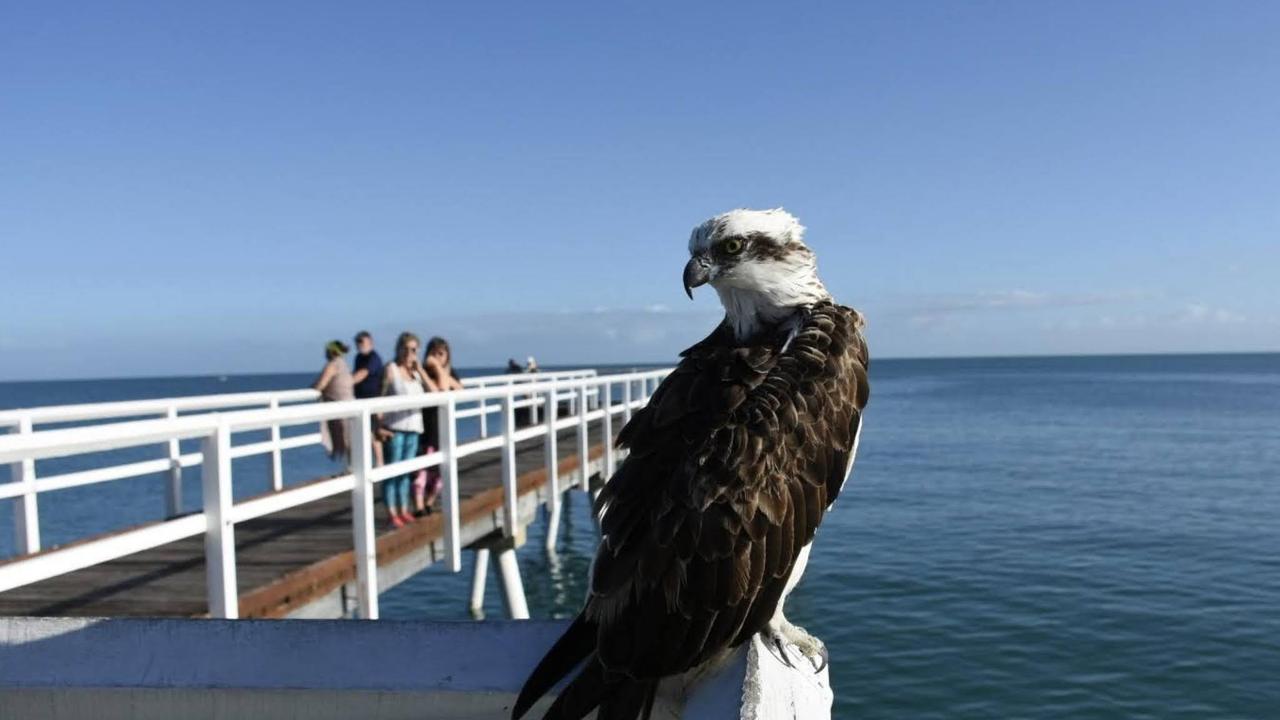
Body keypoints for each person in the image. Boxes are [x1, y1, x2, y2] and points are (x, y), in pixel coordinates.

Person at [377, 332, 437, 528]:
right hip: (395, 427)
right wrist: (378, 426)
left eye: (414, 350)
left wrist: (420, 369)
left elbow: (435, 393)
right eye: (408, 349)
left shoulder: (417, 373)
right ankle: (392, 512)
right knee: (393, 471)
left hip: (414, 427)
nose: (410, 353)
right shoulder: (391, 369)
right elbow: (379, 398)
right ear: (399, 348)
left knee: (405, 473)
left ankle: (404, 510)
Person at [412, 337, 462, 516]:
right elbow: (439, 391)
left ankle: (428, 502)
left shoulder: (448, 373)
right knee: (422, 471)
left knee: (440, 474)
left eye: (441, 354)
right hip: (427, 425)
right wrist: (428, 369)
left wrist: (441, 370)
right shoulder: (423, 372)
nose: (437, 358)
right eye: (434, 354)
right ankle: (418, 506)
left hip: (443, 428)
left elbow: (459, 390)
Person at [311, 340, 354, 463]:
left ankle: (351, 471)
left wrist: (311, 389)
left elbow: (321, 384)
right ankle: (352, 469)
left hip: (341, 409)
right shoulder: (344, 365)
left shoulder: (333, 365)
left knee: (346, 440)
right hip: (350, 406)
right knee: (350, 442)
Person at [351, 331, 385, 466]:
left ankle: (379, 462)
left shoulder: (374, 358)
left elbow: (362, 373)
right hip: (360, 400)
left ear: (370, 343)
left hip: (373, 400)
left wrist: (346, 383)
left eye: (362, 342)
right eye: (358, 342)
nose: (360, 345)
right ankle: (361, 464)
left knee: (374, 433)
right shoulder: (358, 358)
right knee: (362, 433)